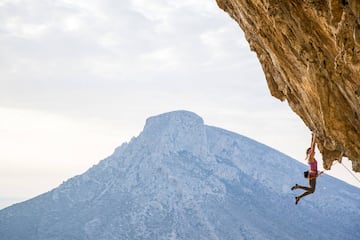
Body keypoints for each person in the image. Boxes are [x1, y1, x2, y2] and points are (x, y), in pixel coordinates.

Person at [291, 133, 323, 205]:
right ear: (309, 152)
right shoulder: (311, 157)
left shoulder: (311, 157)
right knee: (312, 190)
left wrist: (312, 137)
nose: (313, 151)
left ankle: (299, 196)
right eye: (311, 150)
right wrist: (314, 136)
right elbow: (313, 146)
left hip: (312, 175)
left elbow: (312, 146)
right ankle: (298, 187)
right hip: (312, 175)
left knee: (312, 190)